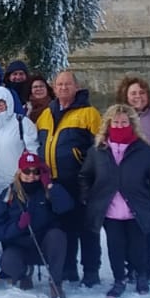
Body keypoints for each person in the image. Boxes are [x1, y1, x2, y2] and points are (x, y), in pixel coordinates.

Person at [81, 104, 150, 298]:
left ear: (132, 124)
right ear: (108, 124)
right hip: (110, 210)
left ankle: (141, 274)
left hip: (135, 207)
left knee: (138, 246)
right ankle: (119, 279)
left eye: (124, 122)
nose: (119, 126)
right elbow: (85, 175)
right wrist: (89, 196)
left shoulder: (142, 149)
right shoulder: (98, 150)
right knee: (115, 247)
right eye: (115, 122)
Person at [36, 70, 103, 286]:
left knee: (87, 228)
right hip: (56, 183)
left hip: (81, 181)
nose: (63, 88)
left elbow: (100, 148)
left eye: (67, 84)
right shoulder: (47, 114)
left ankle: (91, 270)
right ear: (53, 88)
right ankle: (69, 267)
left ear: (76, 87)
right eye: (59, 84)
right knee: (65, 227)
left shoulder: (89, 113)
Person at [0, 150, 74, 298]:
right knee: (8, 262)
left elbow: (66, 206)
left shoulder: (47, 190)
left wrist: (50, 186)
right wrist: (18, 226)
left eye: (36, 172)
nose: (31, 176)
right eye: (27, 171)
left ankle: (55, 282)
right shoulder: (9, 194)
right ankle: (24, 274)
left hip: (43, 244)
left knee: (58, 236)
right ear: (19, 172)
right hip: (20, 246)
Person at [116, 74, 150, 278]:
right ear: (126, 96)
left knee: (147, 224)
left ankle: (147, 266)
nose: (138, 97)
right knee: (126, 225)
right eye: (133, 93)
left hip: (149, 179)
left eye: (142, 92)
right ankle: (131, 266)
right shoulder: (119, 117)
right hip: (125, 179)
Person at [0, 85, 38, 201]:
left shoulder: (22, 122)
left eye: (0, 102)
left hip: (18, 188)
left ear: (8, 102)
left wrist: (29, 176)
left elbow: (34, 152)